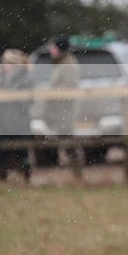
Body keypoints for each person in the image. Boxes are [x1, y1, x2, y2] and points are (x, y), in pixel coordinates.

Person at [41, 36, 82, 174]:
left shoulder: (68, 64)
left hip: (64, 110)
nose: (51, 50)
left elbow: (70, 87)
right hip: (57, 110)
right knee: (62, 140)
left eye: (53, 47)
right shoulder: (60, 63)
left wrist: (53, 93)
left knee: (67, 141)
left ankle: (77, 171)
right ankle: (73, 171)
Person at [0, 49, 33, 181]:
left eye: (6, 62)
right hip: (3, 122)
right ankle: (3, 176)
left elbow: (26, 101)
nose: (4, 65)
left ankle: (26, 175)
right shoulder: (3, 77)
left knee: (21, 150)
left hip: (19, 121)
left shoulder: (24, 78)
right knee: (2, 150)